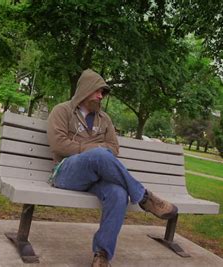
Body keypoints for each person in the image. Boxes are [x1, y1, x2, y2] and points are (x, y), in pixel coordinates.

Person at [47, 69, 178, 267]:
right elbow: (59, 144)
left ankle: (102, 255)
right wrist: (94, 150)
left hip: (95, 179)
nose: (101, 96)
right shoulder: (62, 110)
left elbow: (114, 148)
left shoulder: (104, 119)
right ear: (85, 90)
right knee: (99, 154)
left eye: (103, 93)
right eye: (98, 91)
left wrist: (97, 152)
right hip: (66, 172)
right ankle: (144, 197)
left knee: (118, 194)